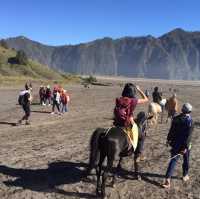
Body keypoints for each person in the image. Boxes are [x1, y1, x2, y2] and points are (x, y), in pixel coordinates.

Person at [113, 83, 149, 160]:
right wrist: (139, 89)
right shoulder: (133, 100)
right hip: (128, 122)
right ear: (133, 92)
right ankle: (138, 154)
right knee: (141, 136)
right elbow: (146, 99)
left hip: (118, 122)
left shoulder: (120, 99)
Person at [162, 103, 193, 188]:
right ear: (189, 111)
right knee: (186, 160)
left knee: (173, 161)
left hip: (175, 144)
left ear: (182, 110)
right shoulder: (190, 121)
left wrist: (168, 140)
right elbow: (188, 136)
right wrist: (185, 148)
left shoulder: (175, 118)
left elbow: (171, 131)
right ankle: (185, 175)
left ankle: (168, 179)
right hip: (185, 146)